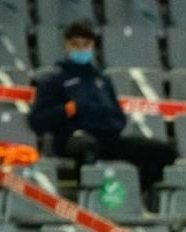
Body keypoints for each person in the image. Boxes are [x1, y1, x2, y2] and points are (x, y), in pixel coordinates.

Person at [27, 20, 177, 192]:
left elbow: (119, 117)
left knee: (162, 152)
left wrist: (110, 124)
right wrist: (66, 110)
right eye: (75, 44)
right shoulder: (54, 79)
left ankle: (135, 194)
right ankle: (86, 202)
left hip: (107, 139)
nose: (81, 49)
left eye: (86, 44)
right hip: (71, 140)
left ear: (93, 46)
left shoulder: (102, 79)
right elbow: (36, 121)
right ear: (66, 45)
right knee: (86, 146)